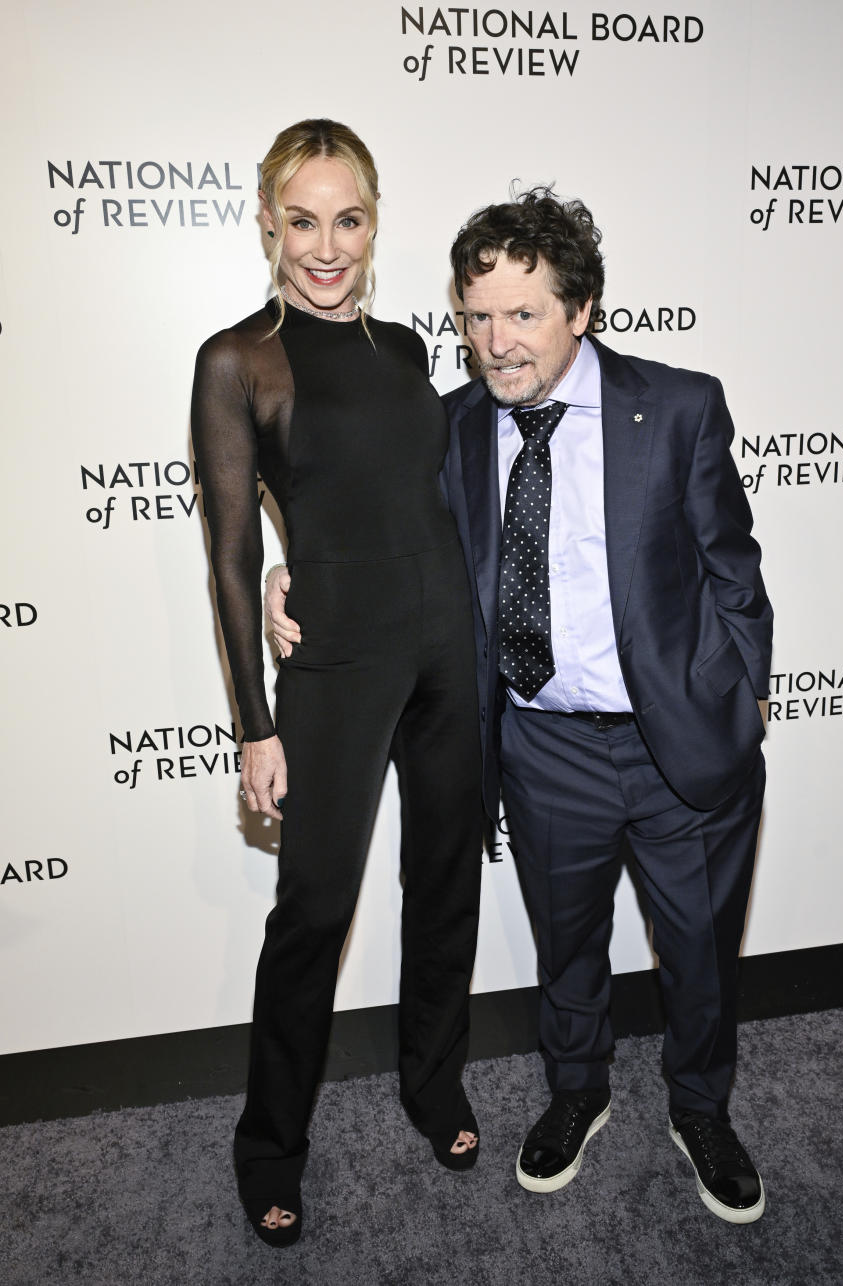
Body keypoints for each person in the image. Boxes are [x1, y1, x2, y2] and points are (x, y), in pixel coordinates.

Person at [268, 187, 773, 1224]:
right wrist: (291, 575)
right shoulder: (447, 427)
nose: (497, 343)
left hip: (678, 743)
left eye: (524, 313)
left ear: (580, 308)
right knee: (568, 952)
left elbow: (735, 570)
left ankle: (701, 1108)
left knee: (702, 957)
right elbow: (366, 526)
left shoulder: (676, 407)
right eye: (477, 315)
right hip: (544, 748)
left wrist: (746, 693)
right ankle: (576, 1089)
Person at [191, 119, 482, 1249]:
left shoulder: (408, 349)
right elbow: (225, 551)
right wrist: (254, 723)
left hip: (445, 648)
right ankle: (270, 1143)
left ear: (374, 222)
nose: (326, 246)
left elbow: (426, 499)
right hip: (335, 665)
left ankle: (433, 1081)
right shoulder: (239, 359)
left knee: (446, 874)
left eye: (347, 220)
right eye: (302, 220)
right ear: (268, 222)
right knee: (312, 910)